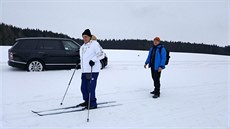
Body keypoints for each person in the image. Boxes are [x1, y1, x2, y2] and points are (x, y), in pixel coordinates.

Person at [79, 29, 104, 109]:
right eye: (83, 37)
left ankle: (93, 103)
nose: (84, 38)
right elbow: (84, 58)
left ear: (90, 37)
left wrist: (93, 60)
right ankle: (87, 101)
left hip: (93, 70)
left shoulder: (95, 44)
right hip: (84, 71)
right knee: (83, 88)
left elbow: (101, 54)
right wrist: (79, 61)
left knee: (90, 88)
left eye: (86, 37)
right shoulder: (82, 47)